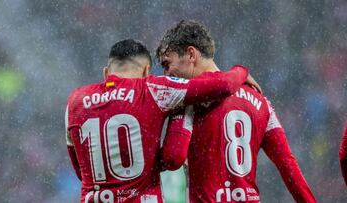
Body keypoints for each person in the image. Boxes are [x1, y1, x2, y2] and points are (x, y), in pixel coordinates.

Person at [65, 39, 256, 203]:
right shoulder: (153, 88)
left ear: (106, 73)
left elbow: (81, 170)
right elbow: (223, 85)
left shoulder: (75, 101)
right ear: (147, 70)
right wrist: (241, 71)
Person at [157, 20, 316, 203]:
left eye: (167, 64)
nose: (166, 74)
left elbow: (173, 156)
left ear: (191, 54)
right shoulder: (261, 101)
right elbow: (288, 166)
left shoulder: (188, 101)